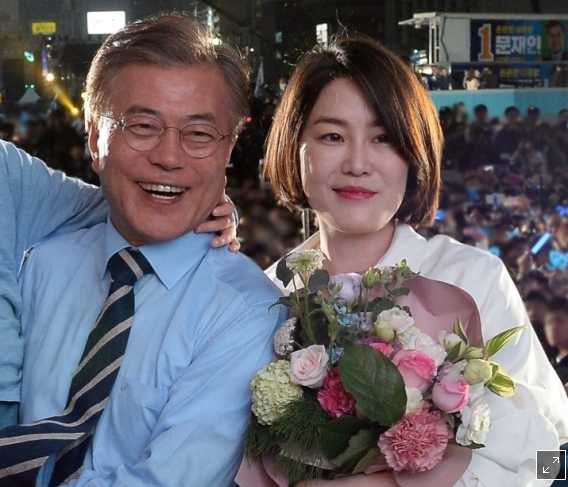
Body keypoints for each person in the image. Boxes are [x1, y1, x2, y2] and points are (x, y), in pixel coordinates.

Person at [239, 33, 568, 486]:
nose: (357, 163)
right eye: (333, 136)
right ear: (294, 148)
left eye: (383, 138)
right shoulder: (264, 296)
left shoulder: (473, 279)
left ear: (413, 154)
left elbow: (553, 453)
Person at [0, 13, 285, 487]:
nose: (169, 157)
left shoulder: (248, 312)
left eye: (199, 134)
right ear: (95, 138)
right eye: (142, 126)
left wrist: (188, 204)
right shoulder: (44, 266)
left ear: (228, 149)